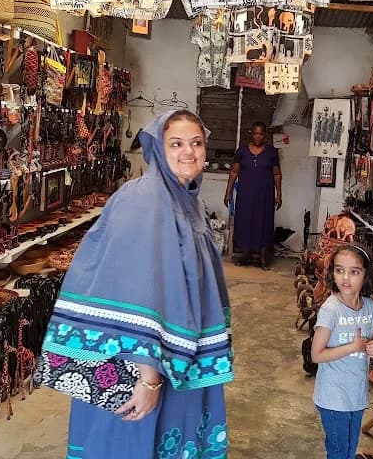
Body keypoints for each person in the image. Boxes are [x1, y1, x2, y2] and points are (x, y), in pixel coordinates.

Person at [37, 110, 233, 459]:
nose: (188, 152)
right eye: (176, 143)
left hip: (177, 359)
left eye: (196, 143)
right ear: (159, 149)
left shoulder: (186, 200)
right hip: (143, 365)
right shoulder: (146, 199)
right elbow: (137, 293)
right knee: (133, 442)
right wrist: (148, 380)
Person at [311, 244, 373, 459]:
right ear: (332, 272)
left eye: (354, 271)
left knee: (350, 450)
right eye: (339, 270)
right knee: (339, 451)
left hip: (357, 395)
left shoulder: (370, 308)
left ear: (366, 275)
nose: (346, 277)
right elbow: (317, 355)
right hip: (333, 397)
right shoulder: (331, 309)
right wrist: (353, 346)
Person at [224, 121, 282, 270]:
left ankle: (263, 258)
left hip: (265, 194)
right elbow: (234, 172)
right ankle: (245, 255)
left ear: (265, 135)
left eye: (260, 134)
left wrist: (279, 194)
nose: (258, 136)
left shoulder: (271, 152)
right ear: (251, 133)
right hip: (245, 194)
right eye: (255, 133)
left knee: (264, 223)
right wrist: (228, 191)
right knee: (245, 222)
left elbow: (276, 174)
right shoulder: (242, 151)